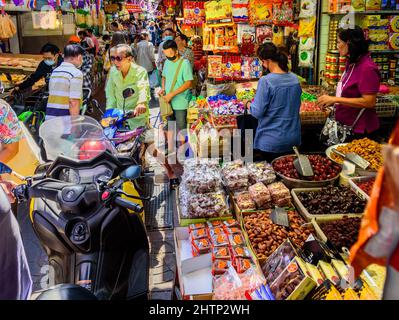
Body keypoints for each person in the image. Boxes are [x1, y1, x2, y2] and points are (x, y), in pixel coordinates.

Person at [317, 26, 381, 139]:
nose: (337, 46)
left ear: (349, 44)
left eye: (339, 42)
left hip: (360, 131)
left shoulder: (367, 68)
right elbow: (349, 94)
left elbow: (369, 102)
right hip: (346, 126)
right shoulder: (352, 63)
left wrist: (335, 99)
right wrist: (332, 103)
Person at [249, 43, 301, 163]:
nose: (262, 65)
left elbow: (257, 112)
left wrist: (248, 104)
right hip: (293, 139)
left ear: (267, 61)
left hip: (271, 141)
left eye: (262, 61)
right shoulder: (294, 79)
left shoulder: (266, 81)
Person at [105, 44, 150, 130]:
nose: (115, 62)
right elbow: (110, 92)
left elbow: (143, 87)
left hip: (137, 114)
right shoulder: (113, 71)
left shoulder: (140, 71)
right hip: (119, 116)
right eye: (113, 58)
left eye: (119, 58)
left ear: (129, 59)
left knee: (143, 141)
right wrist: (109, 111)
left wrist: (141, 103)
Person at [46, 45, 84, 120]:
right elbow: (73, 102)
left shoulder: (55, 71)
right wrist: (75, 124)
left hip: (50, 118)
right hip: (65, 120)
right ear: (79, 57)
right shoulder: (76, 73)